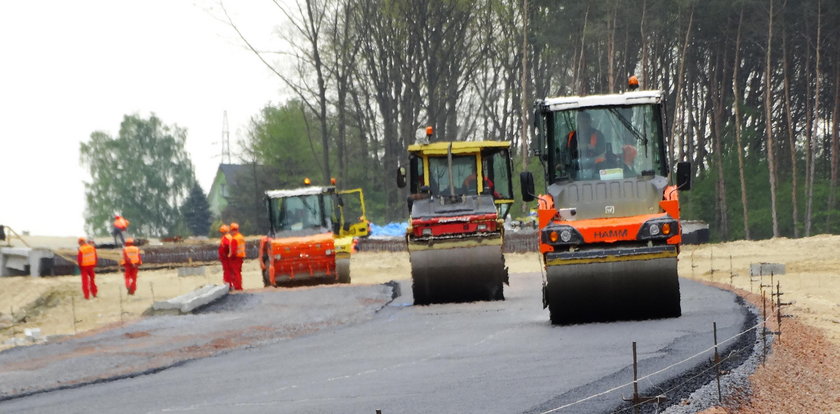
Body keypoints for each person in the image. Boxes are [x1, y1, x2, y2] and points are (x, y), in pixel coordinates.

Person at [228, 222, 246, 291]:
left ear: (232, 230)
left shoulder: (234, 239)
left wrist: (230, 257)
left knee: (235, 273)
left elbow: (233, 251)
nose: (230, 233)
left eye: (231, 231)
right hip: (241, 257)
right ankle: (239, 286)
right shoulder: (241, 237)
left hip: (235, 258)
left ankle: (237, 287)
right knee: (238, 272)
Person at [217, 224, 233, 290]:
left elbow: (229, 246)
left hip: (226, 257)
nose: (221, 233)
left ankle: (228, 284)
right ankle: (227, 283)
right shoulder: (225, 237)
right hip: (224, 257)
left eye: (221, 231)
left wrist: (229, 254)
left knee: (227, 271)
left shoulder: (227, 237)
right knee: (226, 270)